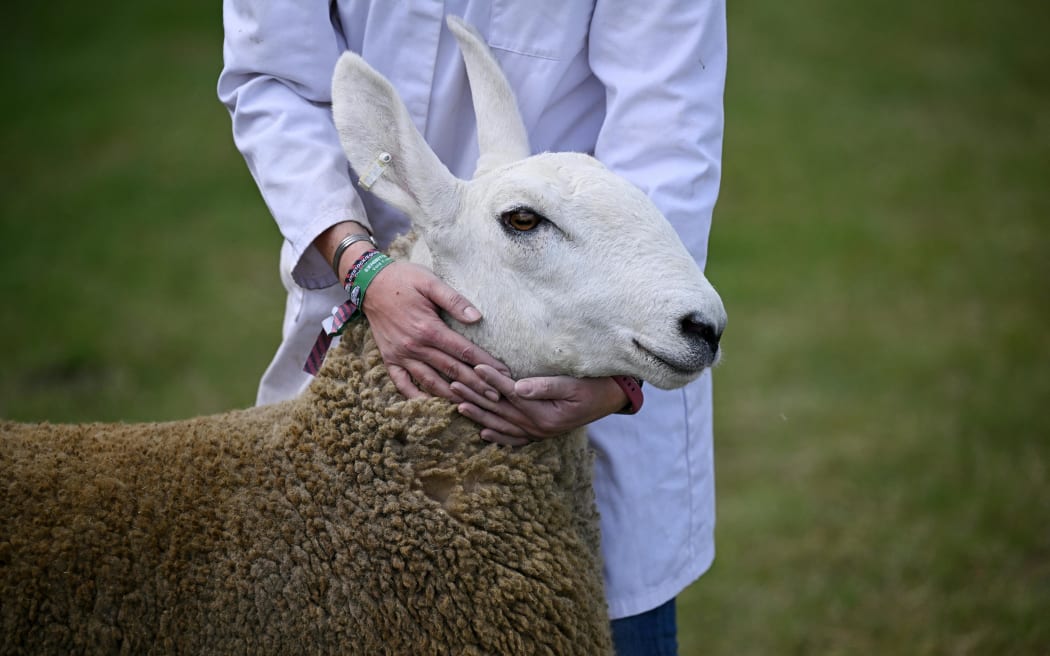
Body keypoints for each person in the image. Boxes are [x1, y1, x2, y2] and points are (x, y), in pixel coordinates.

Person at [219, 2, 726, 653]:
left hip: (591, 333)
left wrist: (620, 382)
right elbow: (274, 77)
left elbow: (668, 134)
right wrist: (359, 262)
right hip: (368, 289)